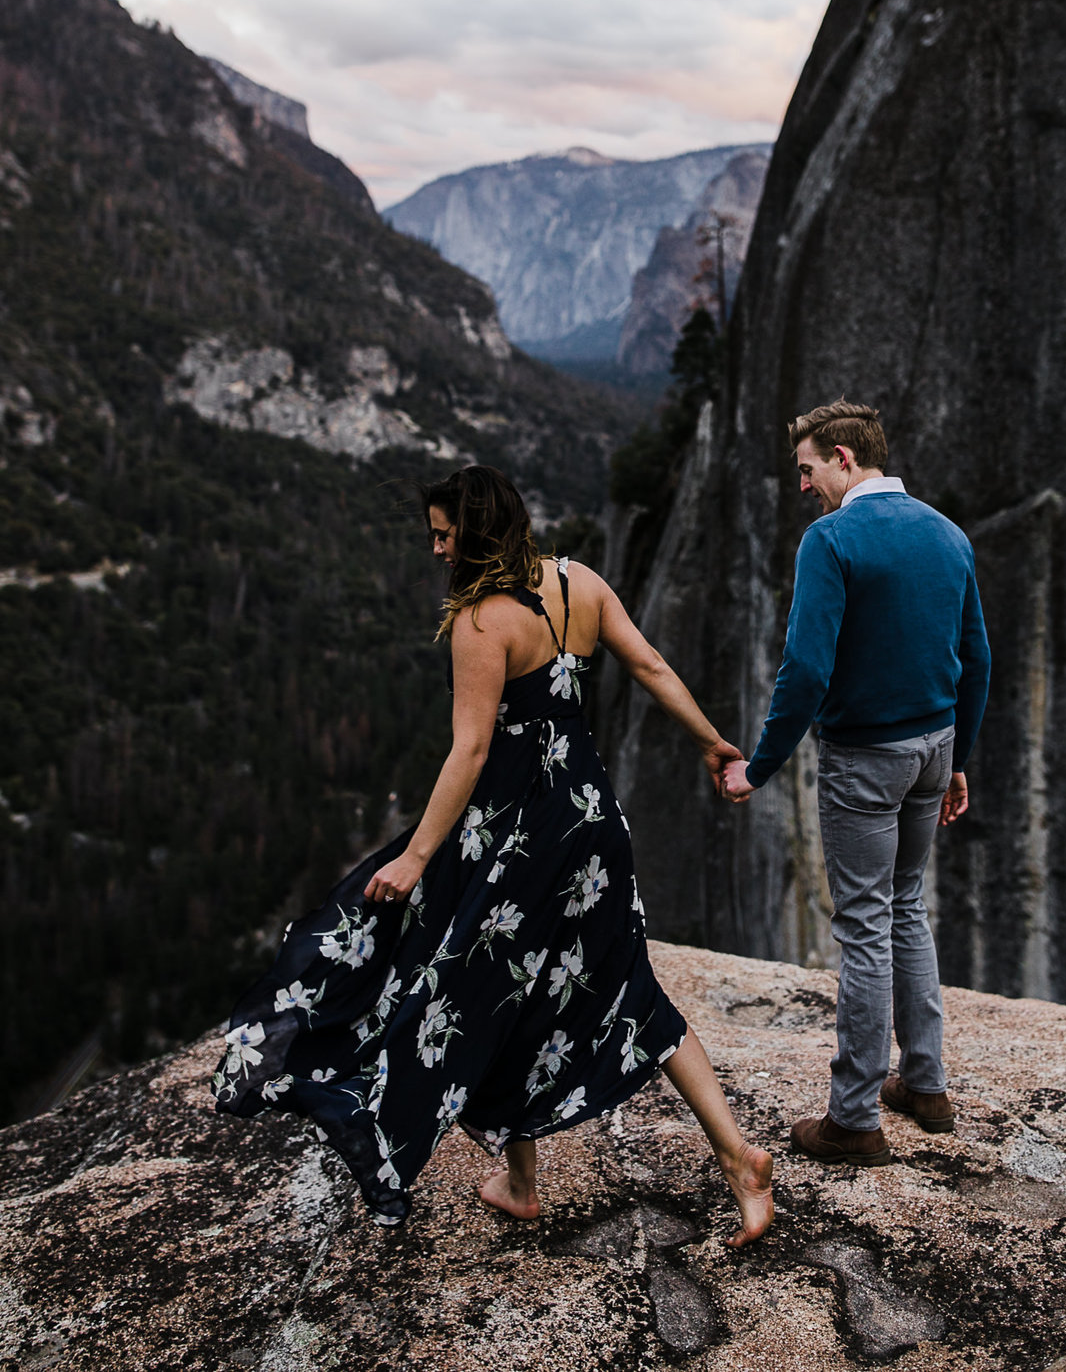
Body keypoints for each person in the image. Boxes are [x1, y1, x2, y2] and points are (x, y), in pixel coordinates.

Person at [212, 464, 775, 1241]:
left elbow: (469, 752)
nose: (438, 549)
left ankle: (525, 1176)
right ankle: (725, 1157)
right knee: (625, 990)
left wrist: (415, 857)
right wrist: (711, 740)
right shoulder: (579, 582)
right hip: (591, 824)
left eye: (445, 534)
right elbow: (647, 665)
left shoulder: (484, 620)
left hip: (518, 839)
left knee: (483, 993)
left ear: (477, 532)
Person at [718, 401, 991, 1166]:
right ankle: (926, 1084)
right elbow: (977, 659)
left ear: (842, 456)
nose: (803, 485)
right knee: (907, 905)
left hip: (866, 759)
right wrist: (958, 759)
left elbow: (805, 669)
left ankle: (854, 1118)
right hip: (934, 746)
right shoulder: (948, 533)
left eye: (806, 468)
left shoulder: (831, 539)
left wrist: (759, 766)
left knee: (866, 923)